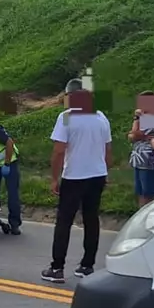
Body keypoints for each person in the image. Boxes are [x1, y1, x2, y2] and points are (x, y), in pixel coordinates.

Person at [45, 79, 111, 283]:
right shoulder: (101, 117)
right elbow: (108, 149)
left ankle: (57, 268)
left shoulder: (66, 117)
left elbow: (58, 151)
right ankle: (87, 265)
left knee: (64, 221)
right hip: (97, 175)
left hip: (74, 176)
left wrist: (54, 178)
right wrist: (105, 172)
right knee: (91, 219)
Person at [128, 92, 154, 207]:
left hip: (149, 160)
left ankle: (149, 218)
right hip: (139, 160)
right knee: (140, 192)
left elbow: (134, 135)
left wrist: (136, 119)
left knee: (148, 193)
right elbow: (131, 137)